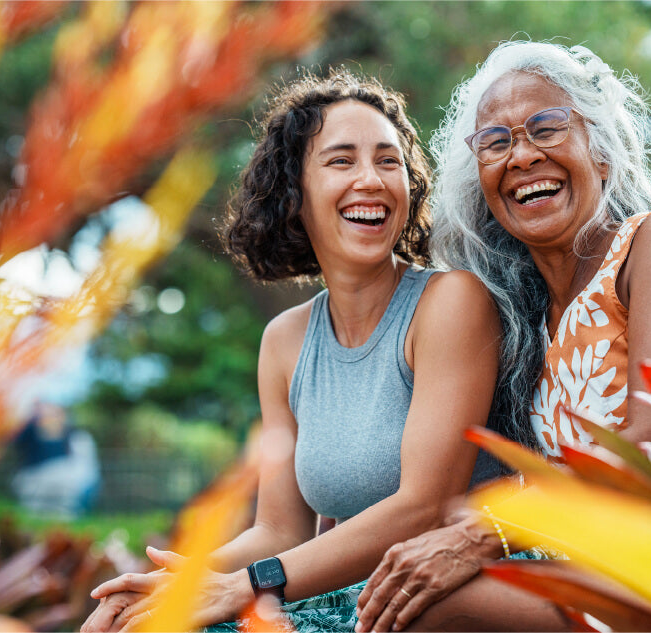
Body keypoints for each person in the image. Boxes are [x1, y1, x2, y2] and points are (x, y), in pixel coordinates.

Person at [353, 41, 651, 632]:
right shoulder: (526, 329)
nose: (521, 156)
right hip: (625, 577)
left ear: (601, 152)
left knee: (430, 610)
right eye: (496, 142)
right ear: (483, 185)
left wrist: (482, 533)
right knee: (394, 597)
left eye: (546, 127)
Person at [80, 69, 520, 633]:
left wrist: (242, 586)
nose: (372, 179)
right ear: (295, 192)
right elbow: (280, 530)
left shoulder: (450, 302)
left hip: (447, 599)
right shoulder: (284, 342)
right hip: (356, 600)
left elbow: (425, 506)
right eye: (341, 161)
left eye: (389, 161)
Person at [10, 402, 100, 520]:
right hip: (35, 476)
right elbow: (17, 442)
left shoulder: (69, 434)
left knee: (61, 501)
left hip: (60, 475)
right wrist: (33, 419)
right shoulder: (32, 429)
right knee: (36, 504)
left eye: (57, 413)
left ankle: (62, 518)